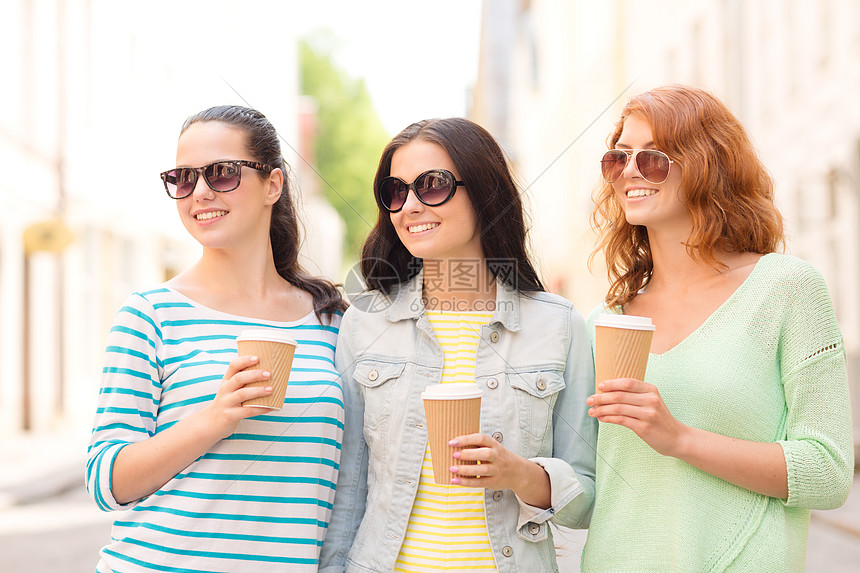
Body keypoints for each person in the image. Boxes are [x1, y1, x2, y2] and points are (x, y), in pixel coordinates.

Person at [582, 85, 854, 571]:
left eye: (653, 158)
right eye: (617, 158)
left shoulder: (786, 289)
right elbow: (582, 493)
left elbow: (829, 473)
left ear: (708, 165)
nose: (628, 172)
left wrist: (679, 438)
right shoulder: (605, 322)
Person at [319, 117, 597, 573]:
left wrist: (521, 474)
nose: (409, 205)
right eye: (395, 191)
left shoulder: (559, 324)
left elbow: (584, 494)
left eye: (431, 185)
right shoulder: (365, 323)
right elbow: (348, 488)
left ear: (485, 192)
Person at [86, 105, 347, 572]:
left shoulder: (331, 322)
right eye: (183, 178)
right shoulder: (151, 315)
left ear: (273, 185)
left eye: (222, 173)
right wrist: (214, 419)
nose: (200, 192)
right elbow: (106, 480)